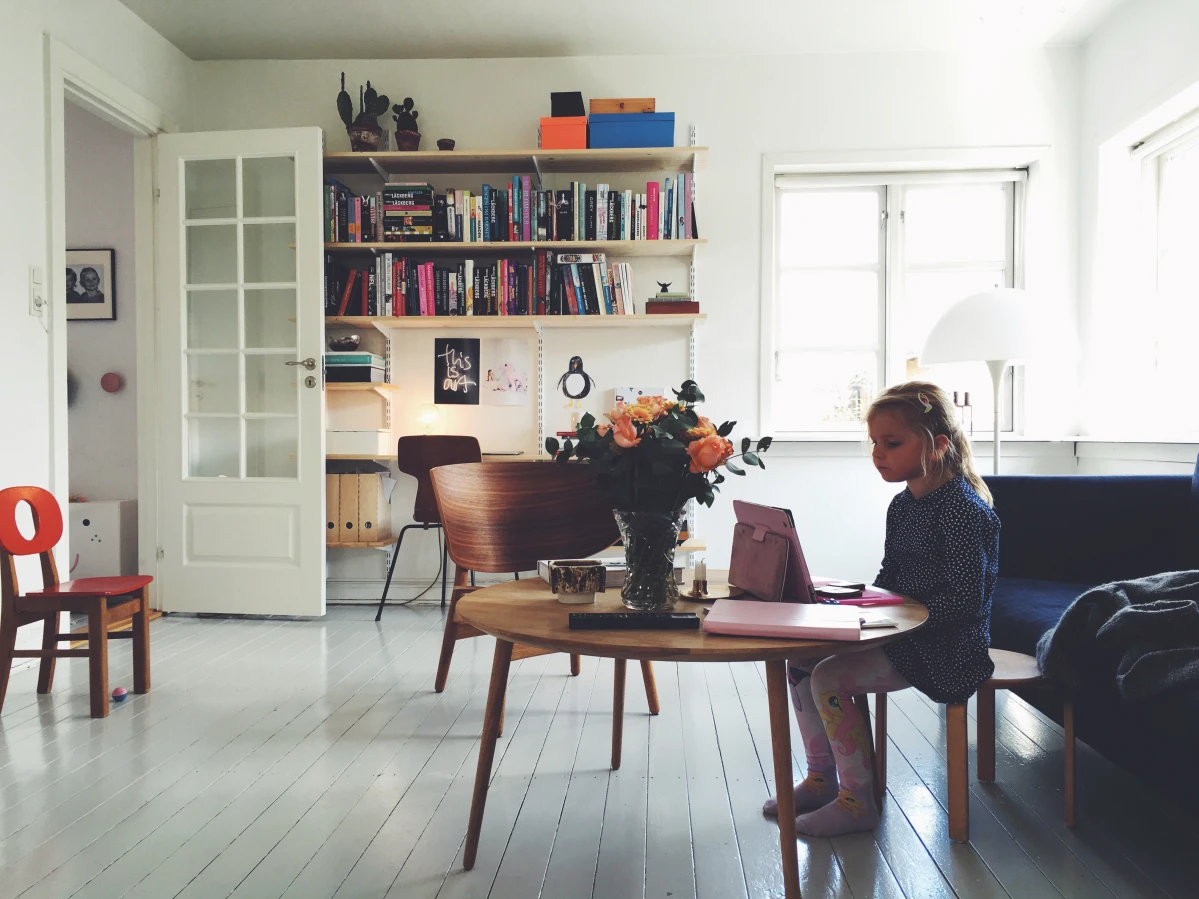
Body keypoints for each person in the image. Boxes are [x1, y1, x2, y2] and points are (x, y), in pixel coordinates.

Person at [762, 381, 1000, 837]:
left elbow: (966, 601)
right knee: (800, 660)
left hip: (946, 649)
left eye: (892, 443)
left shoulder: (964, 511)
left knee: (830, 677)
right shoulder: (903, 505)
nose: (878, 453)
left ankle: (856, 802)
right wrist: (849, 604)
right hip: (904, 634)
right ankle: (820, 778)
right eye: (874, 443)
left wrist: (895, 621)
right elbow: (891, 576)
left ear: (938, 446)